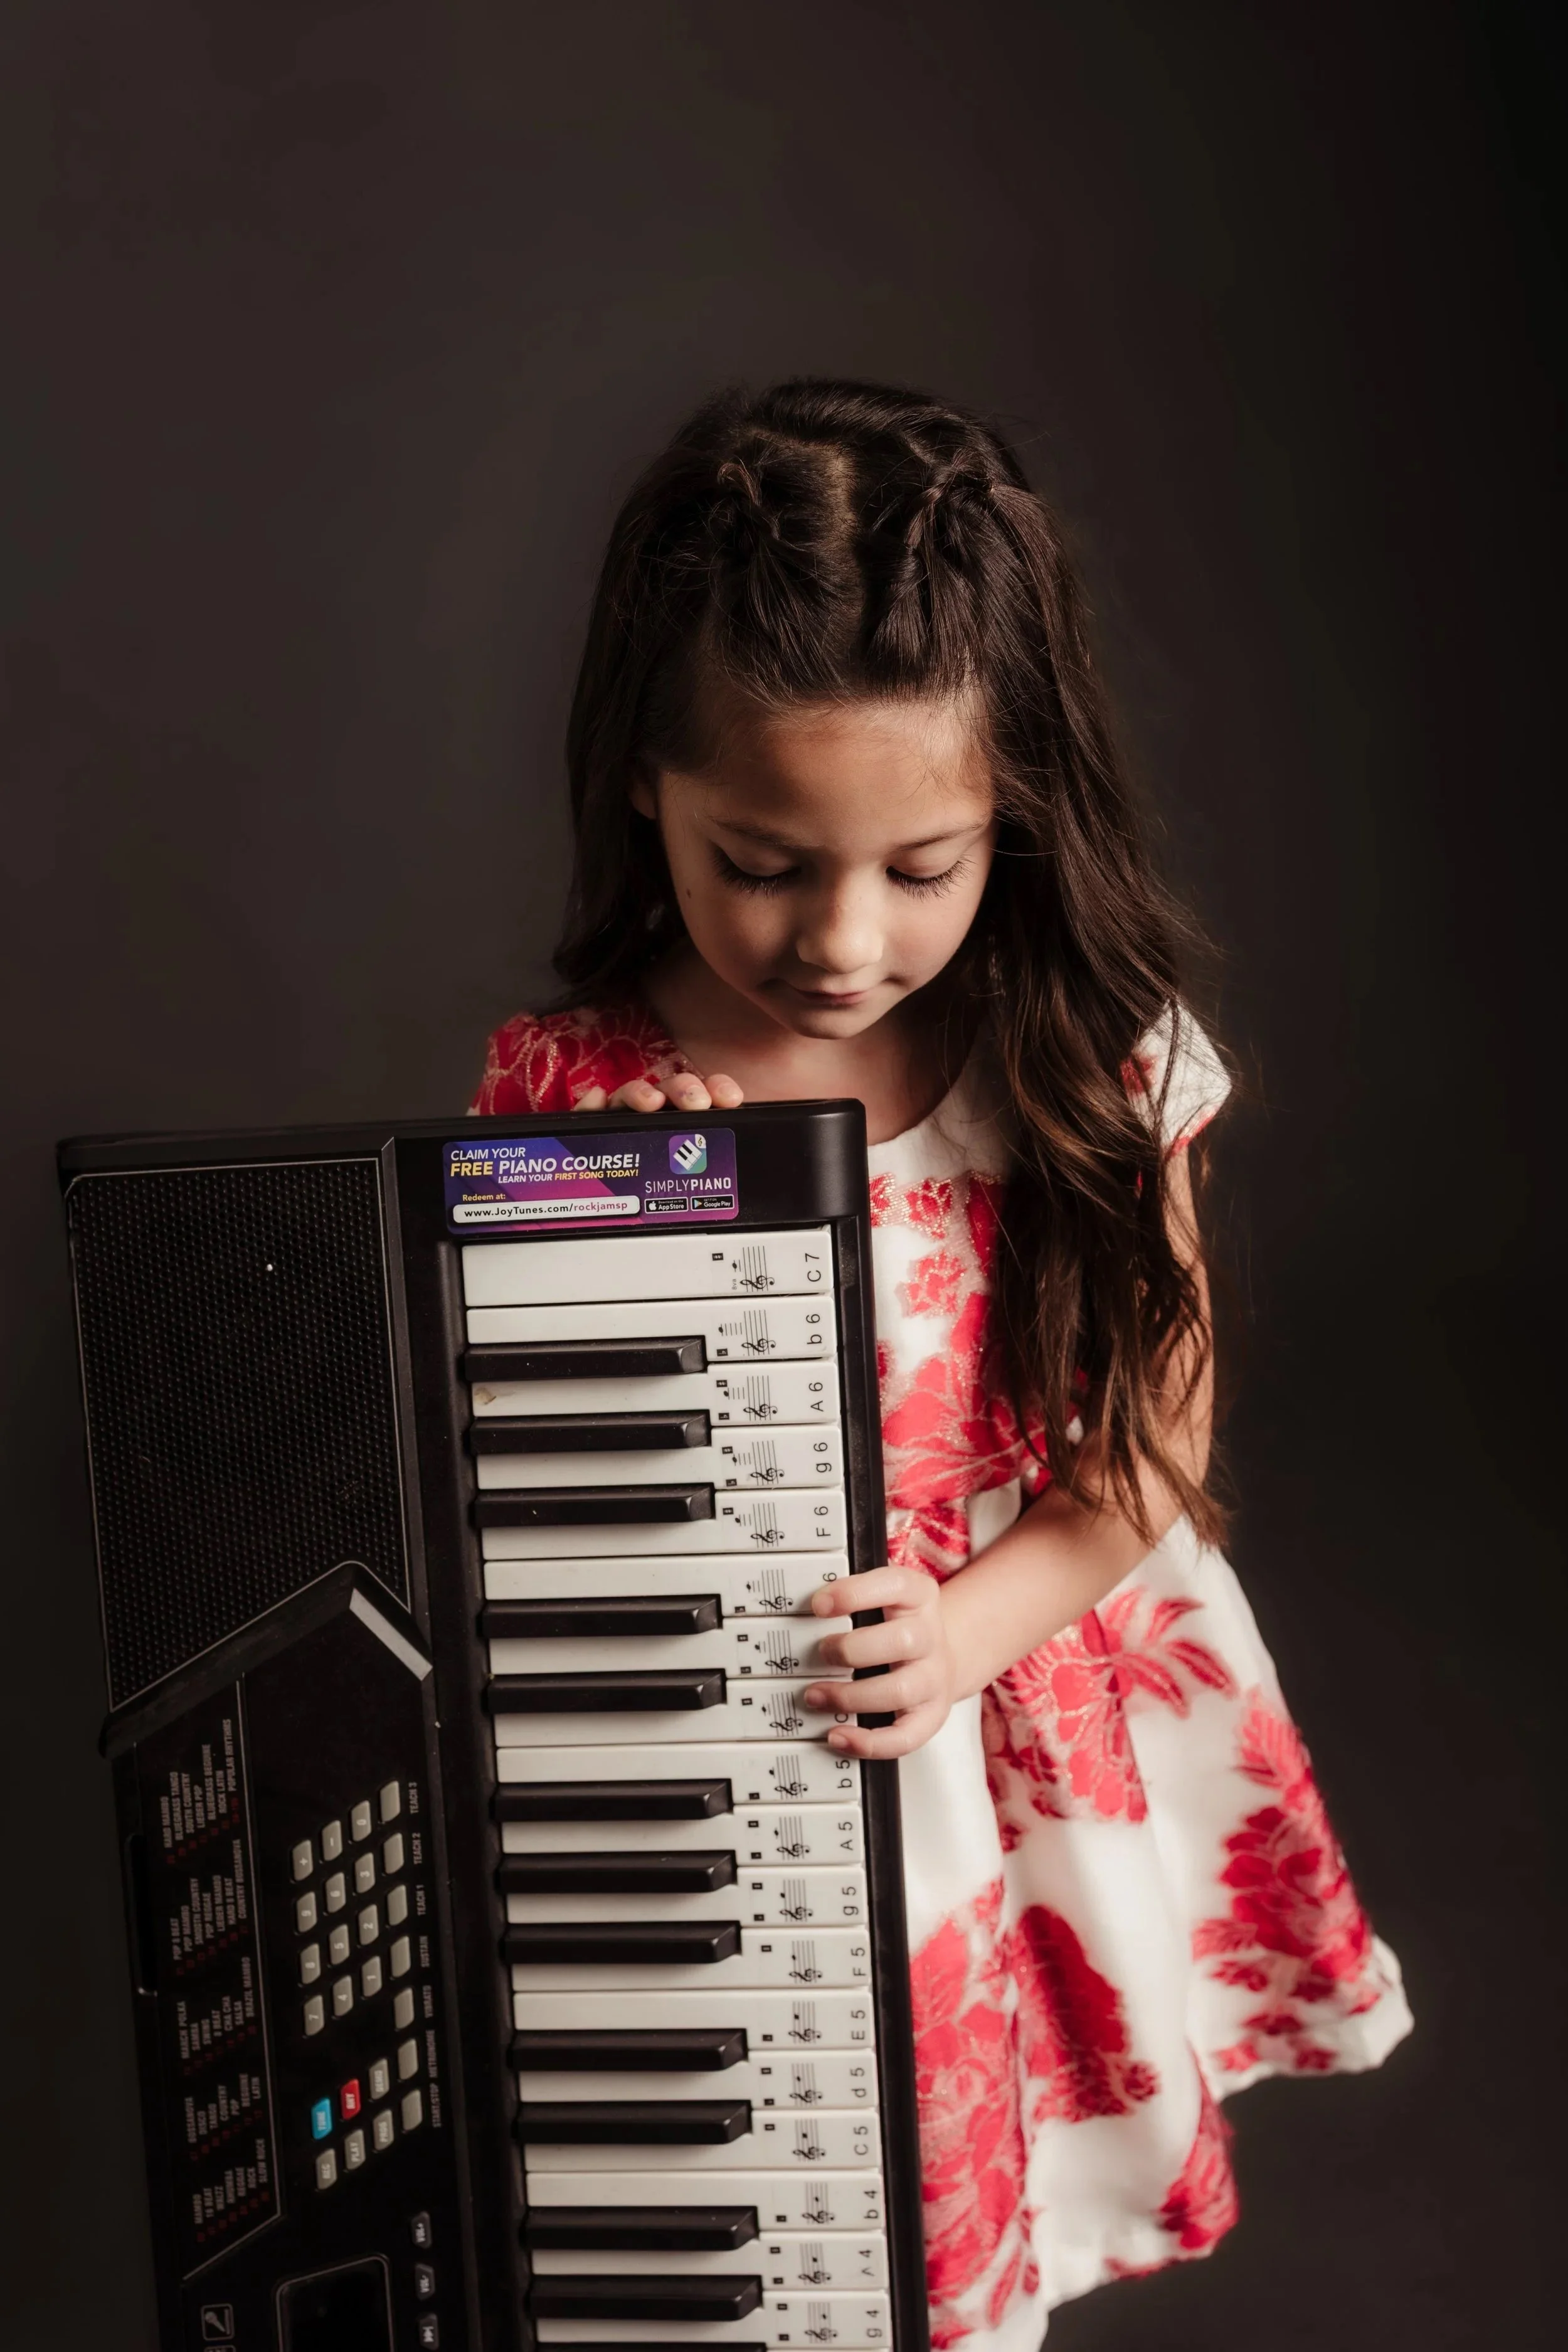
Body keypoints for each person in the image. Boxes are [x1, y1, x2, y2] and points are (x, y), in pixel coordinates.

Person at [472, 378, 1412, 2349]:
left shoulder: (1072, 1050)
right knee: (770, 2209)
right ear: (647, 780)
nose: (838, 937)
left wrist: (981, 1619)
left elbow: (1157, 1432)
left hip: (1004, 1687)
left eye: (921, 866)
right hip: (750, 1722)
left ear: (1016, 813)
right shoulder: (582, 1095)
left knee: (971, 2213)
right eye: (763, 858)